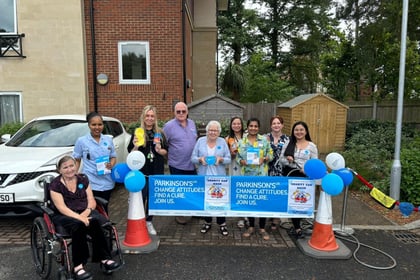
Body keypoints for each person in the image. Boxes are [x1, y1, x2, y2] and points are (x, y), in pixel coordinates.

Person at [49, 156, 120, 279]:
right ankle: (78, 266)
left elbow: (92, 202)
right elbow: (62, 208)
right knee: (79, 225)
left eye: (72, 166)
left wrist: (84, 214)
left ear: (76, 166)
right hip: (64, 215)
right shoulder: (55, 185)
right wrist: (79, 218)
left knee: (95, 221)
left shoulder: (83, 179)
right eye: (65, 167)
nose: (69, 169)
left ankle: (104, 258)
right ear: (59, 170)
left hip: (85, 211)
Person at [127, 105, 168, 235]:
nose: (149, 118)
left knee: (152, 198)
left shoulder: (160, 133)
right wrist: (135, 146)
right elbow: (130, 153)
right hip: (141, 172)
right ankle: (140, 222)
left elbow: (166, 151)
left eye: (152, 116)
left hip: (156, 170)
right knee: (141, 197)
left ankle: (149, 221)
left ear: (155, 118)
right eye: (147, 116)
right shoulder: (137, 132)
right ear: (143, 118)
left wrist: (159, 150)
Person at [191, 120, 231, 236]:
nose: (213, 132)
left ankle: (222, 223)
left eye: (215, 130)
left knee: (220, 200)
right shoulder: (200, 141)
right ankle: (207, 222)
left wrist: (221, 159)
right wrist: (200, 160)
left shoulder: (223, 142)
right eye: (211, 130)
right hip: (204, 178)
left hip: (219, 178)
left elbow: (228, 159)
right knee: (206, 200)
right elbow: (192, 158)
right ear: (207, 131)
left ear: (219, 132)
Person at [236, 117, 273, 240]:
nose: (253, 128)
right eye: (251, 126)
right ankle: (251, 226)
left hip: (261, 175)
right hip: (247, 176)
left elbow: (271, 154)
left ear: (259, 127)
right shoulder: (242, 142)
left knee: (262, 201)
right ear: (247, 127)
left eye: (255, 126)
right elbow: (237, 157)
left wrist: (265, 159)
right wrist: (242, 161)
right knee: (250, 201)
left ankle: (262, 228)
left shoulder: (264, 140)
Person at [280, 121, 318, 239]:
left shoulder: (311, 146)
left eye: (301, 130)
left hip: (304, 177)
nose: (299, 132)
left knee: (301, 201)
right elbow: (281, 159)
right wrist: (289, 160)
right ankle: (297, 227)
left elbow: (315, 162)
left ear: (306, 131)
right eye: (296, 130)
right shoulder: (289, 143)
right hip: (290, 174)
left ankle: (299, 224)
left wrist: (307, 169)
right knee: (292, 201)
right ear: (293, 131)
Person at [73, 112, 117, 213]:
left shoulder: (108, 140)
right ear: (89, 125)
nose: (97, 127)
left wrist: (111, 164)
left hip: (107, 182)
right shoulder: (82, 141)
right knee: (92, 209)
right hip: (90, 182)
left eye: (100, 124)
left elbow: (113, 157)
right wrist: (74, 174)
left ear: (103, 125)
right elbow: (77, 159)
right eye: (94, 124)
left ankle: (104, 227)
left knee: (104, 209)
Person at [163, 102, 198, 225]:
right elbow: (163, 145)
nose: (181, 113)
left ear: (187, 112)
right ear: (174, 112)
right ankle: (179, 213)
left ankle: (194, 211)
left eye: (183, 111)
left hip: (192, 164)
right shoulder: (168, 126)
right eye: (178, 111)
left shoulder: (192, 124)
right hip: (177, 164)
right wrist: (170, 158)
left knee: (193, 189)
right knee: (179, 190)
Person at [225, 116, 248, 228]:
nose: (236, 126)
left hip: (247, 166)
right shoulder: (227, 138)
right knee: (237, 189)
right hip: (234, 166)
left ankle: (246, 214)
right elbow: (225, 156)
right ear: (231, 125)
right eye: (234, 123)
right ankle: (240, 216)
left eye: (238, 123)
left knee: (246, 189)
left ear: (242, 125)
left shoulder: (247, 137)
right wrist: (231, 154)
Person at [266, 116, 289, 230]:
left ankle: (276, 218)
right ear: (271, 125)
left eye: (278, 123)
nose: (276, 125)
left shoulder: (287, 139)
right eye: (274, 123)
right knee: (269, 193)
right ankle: (270, 215)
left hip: (280, 170)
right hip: (267, 169)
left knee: (278, 194)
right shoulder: (266, 138)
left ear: (282, 125)